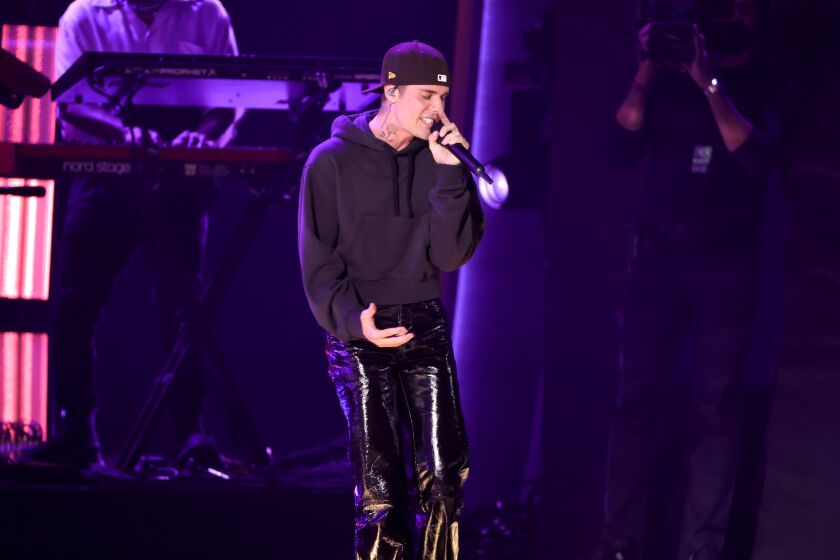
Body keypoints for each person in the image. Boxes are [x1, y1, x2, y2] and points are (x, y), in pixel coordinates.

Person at [594, 1, 778, 559]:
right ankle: (620, 541)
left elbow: (754, 157)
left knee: (715, 409)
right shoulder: (665, 81)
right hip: (659, 259)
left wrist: (709, 81)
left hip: (726, 265)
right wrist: (649, 69)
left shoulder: (762, 78)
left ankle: (701, 548)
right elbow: (619, 146)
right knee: (635, 401)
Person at [26, 0, 238, 468]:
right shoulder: (84, 14)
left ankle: (189, 436)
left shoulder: (208, 14)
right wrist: (126, 135)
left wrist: (200, 137)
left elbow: (228, 100)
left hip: (182, 177)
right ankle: (75, 435)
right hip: (106, 171)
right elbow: (71, 105)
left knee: (185, 312)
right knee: (75, 308)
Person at [298, 41, 484, 560]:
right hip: (360, 329)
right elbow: (318, 263)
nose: (437, 110)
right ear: (392, 91)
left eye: (443, 99)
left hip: (424, 322)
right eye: (426, 96)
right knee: (380, 491)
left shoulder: (440, 161)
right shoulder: (330, 162)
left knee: (445, 478)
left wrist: (450, 173)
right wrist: (353, 322)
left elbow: (451, 255)